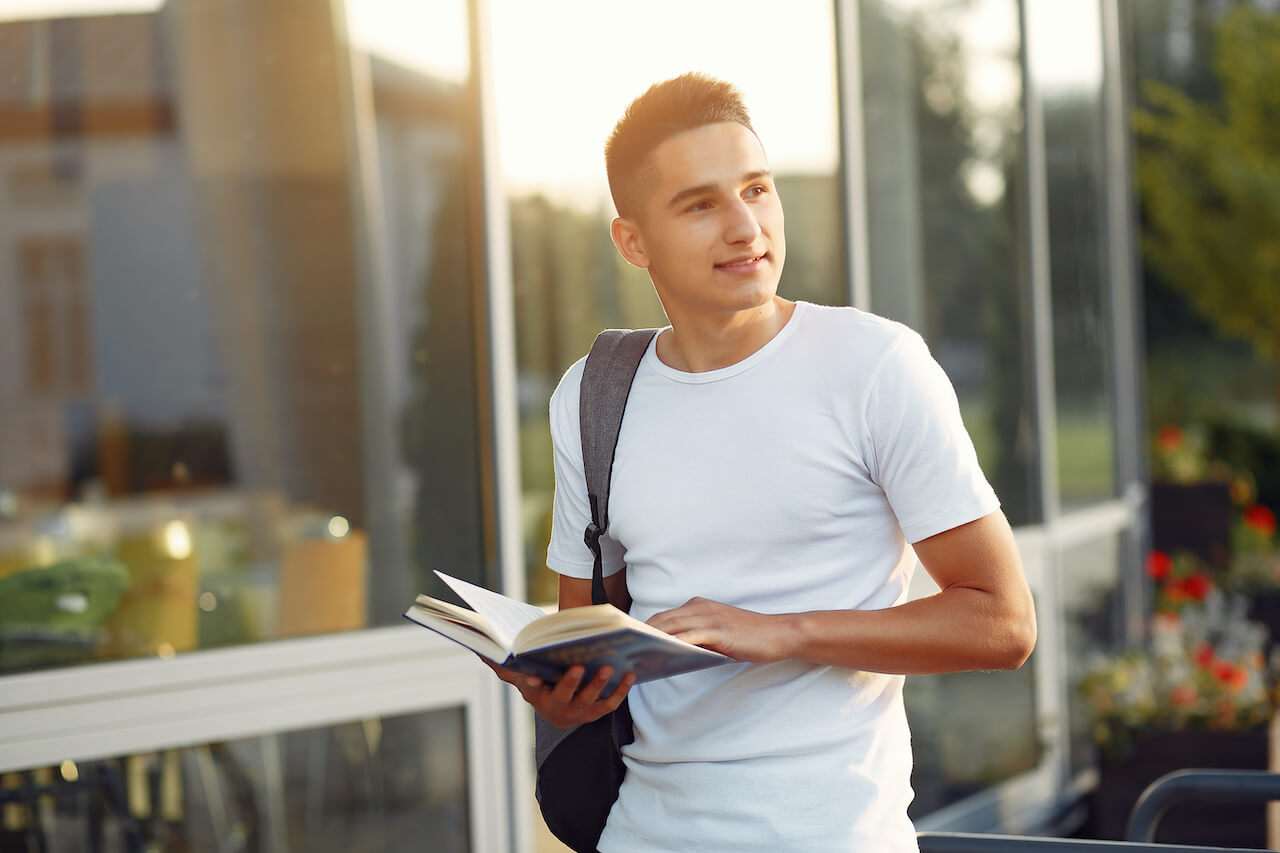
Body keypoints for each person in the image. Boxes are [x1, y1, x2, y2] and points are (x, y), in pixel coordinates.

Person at [487, 72, 1036, 852]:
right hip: (644, 834)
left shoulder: (874, 365)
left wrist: (784, 631)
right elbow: (592, 627)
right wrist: (565, 694)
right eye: (701, 203)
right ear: (633, 240)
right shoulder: (593, 395)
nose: (747, 226)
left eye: (756, 189)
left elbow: (1002, 621)